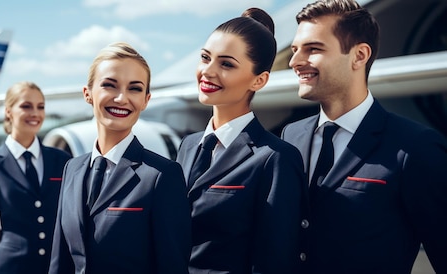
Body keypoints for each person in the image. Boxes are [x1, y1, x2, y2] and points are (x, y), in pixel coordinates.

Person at [281, 0, 447, 273]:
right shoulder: (291, 136)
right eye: (296, 49)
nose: (295, 61)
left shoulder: (416, 147)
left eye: (313, 49)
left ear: (359, 55)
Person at [175, 8, 307, 274]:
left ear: (259, 80)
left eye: (226, 64)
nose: (208, 72)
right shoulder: (188, 146)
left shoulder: (275, 157)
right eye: (205, 58)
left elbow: (276, 261)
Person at [49, 42, 192, 274]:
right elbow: (60, 258)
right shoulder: (71, 169)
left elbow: (173, 266)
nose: (121, 98)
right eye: (109, 85)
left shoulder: (161, 176)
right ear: (88, 94)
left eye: (135, 89)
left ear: (146, 100)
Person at [0, 81, 71, 274]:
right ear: (8, 111)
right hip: (11, 267)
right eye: (26, 106)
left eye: (40, 107)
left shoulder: (62, 160)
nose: (35, 113)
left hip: (57, 265)